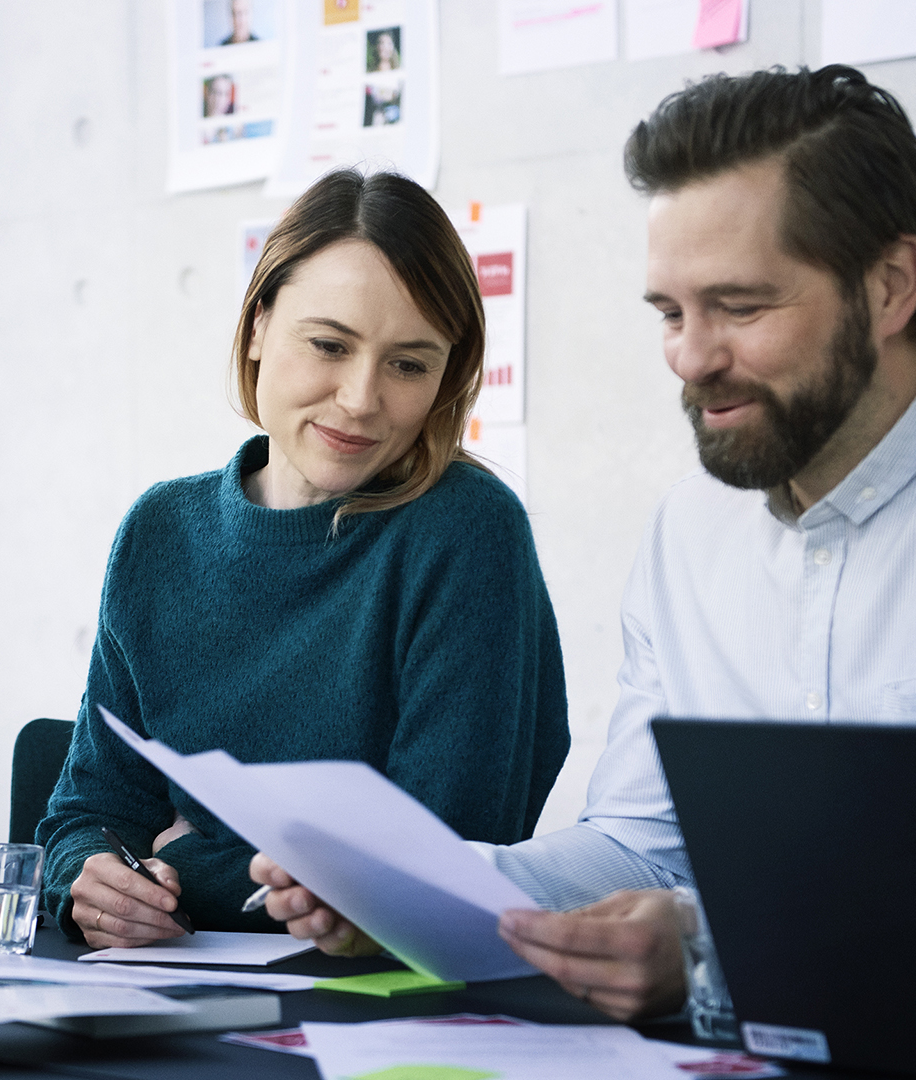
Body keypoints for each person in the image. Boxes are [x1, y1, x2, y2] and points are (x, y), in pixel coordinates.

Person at [254, 65, 916, 1018]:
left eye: (740, 307)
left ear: (891, 285)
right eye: (671, 313)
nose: (690, 357)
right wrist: (410, 894)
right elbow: (641, 846)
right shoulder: (691, 528)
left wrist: (718, 955)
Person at [38, 168, 570, 947]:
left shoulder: (467, 531)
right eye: (329, 344)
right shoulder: (161, 531)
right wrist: (90, 881)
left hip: (383, 997)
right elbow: (88, 814)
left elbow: (436, 864)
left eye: (409, 364)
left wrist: (184, 859)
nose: (360, 398)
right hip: (168, 987)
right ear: (258, 325)